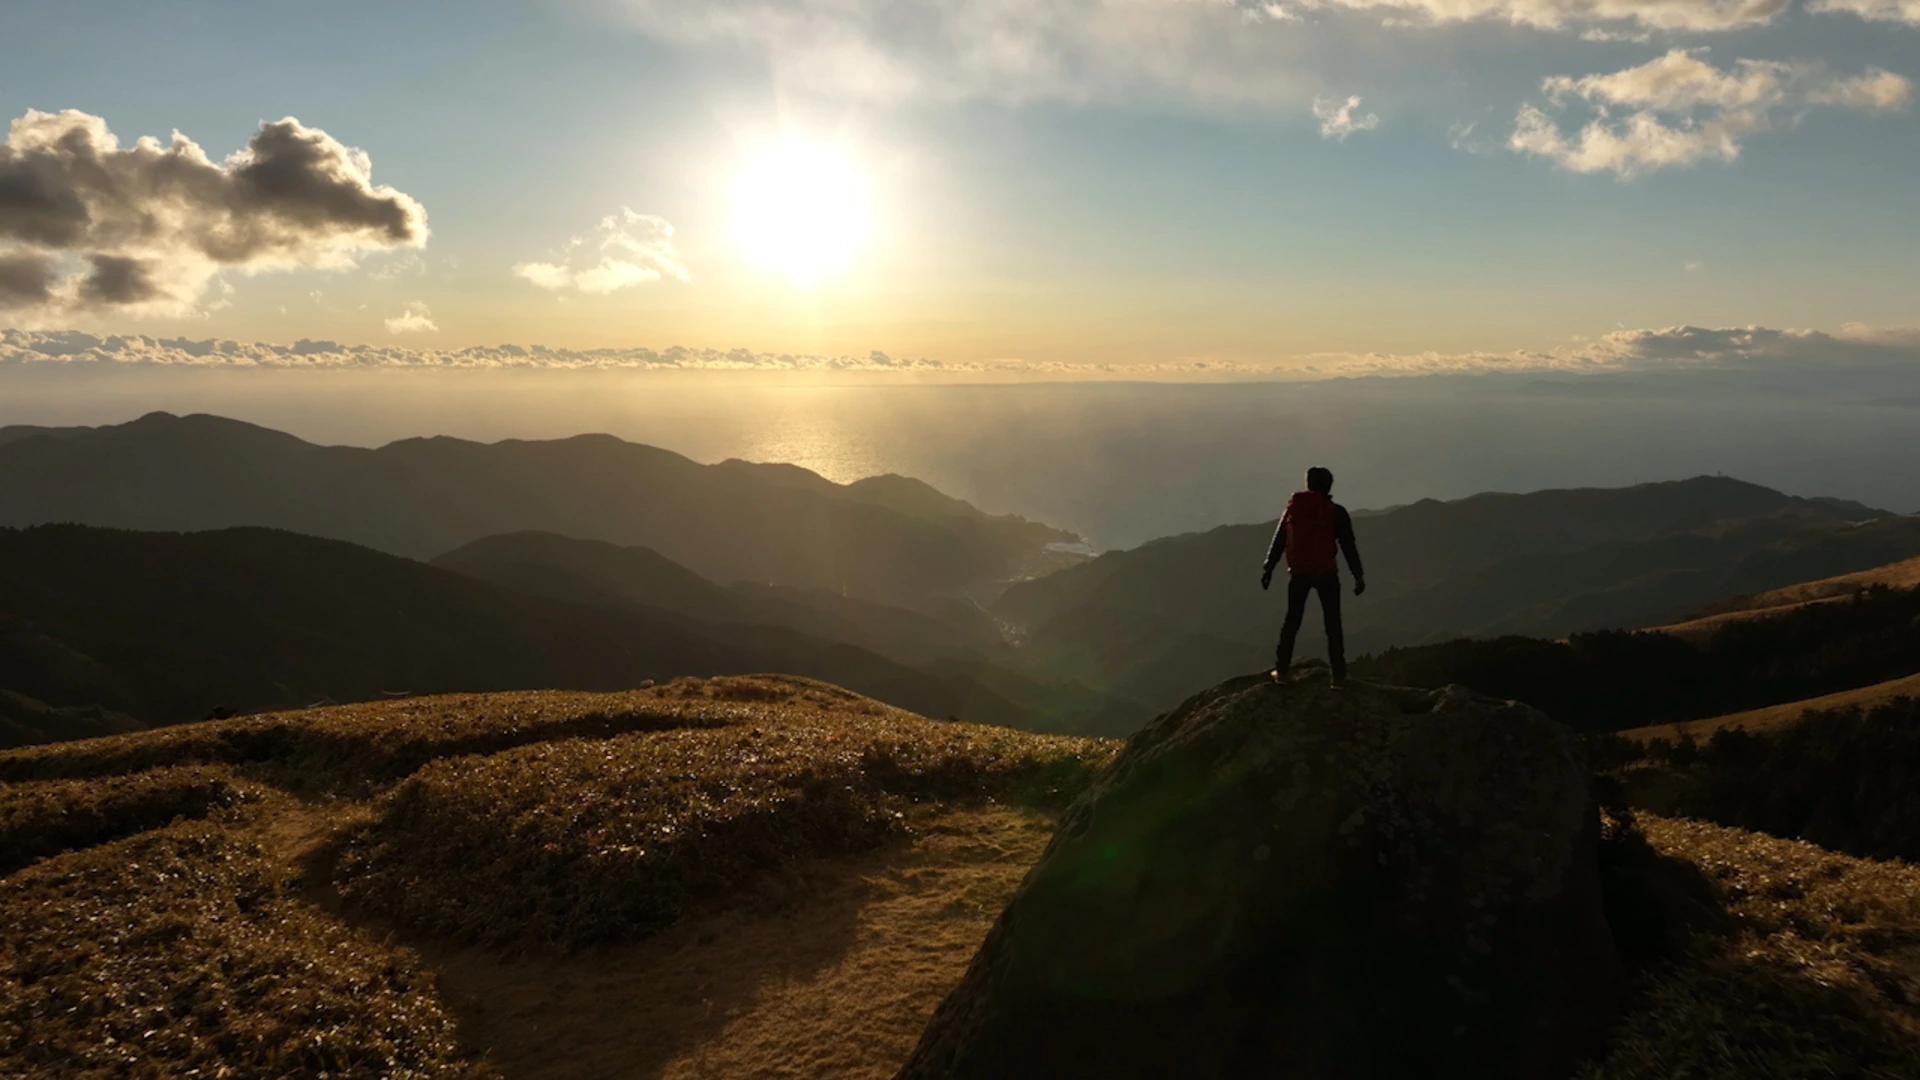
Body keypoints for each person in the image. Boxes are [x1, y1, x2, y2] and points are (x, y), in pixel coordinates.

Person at [1261, 466, 1365, 687]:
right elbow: (1348, 546)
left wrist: (1268, 568)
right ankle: (1338, 676)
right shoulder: (1336, 512)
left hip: (1298, 574)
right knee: (1333, 623)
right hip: (1326, 573)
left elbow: (1279, 539)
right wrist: (1358, 576)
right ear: (1329, 485)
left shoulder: (1293, 510)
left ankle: (1281, 671)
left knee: (1292, 621)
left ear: (1308, 484)